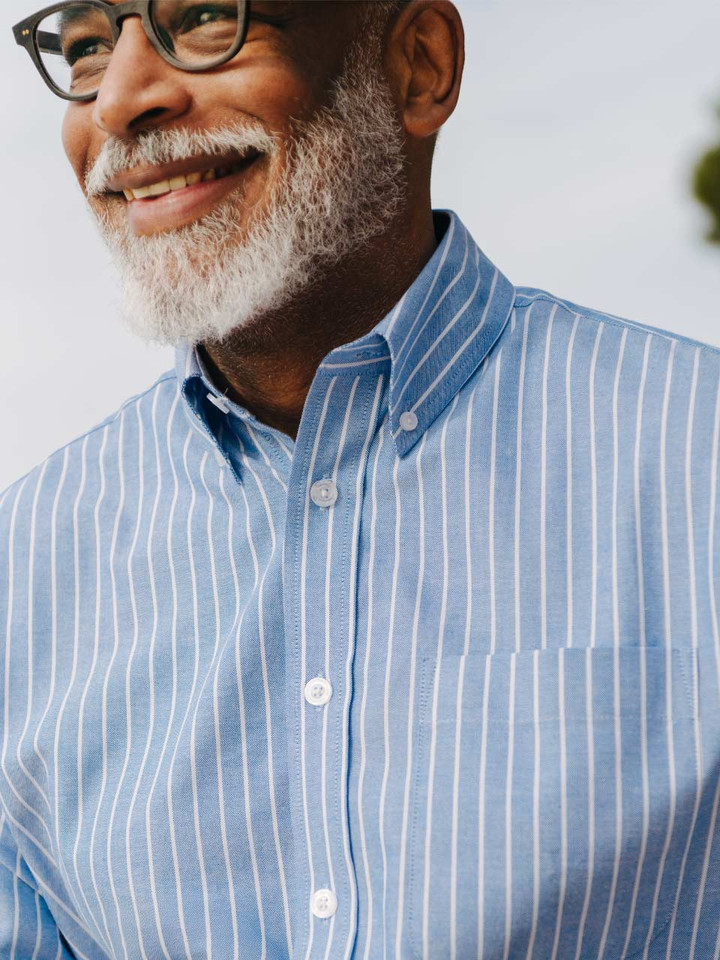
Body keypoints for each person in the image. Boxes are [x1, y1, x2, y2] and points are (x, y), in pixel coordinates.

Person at [2, 1, 720, 957]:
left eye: (209, 16)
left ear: (418, 66)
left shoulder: (694, 454)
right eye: (89, 45)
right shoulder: (25, 563)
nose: (122, 98)